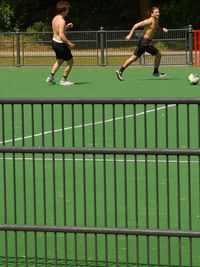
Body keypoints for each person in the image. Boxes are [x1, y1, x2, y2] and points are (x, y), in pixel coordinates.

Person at [116, 6, 168, 81]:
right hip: (145, 43)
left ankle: (120, 71)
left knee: (134, 57)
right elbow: (136, 25)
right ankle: (156, 72)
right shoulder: (149, 21)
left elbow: (155, 27)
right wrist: (130, 35)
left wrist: (162, 29)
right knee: (158, 54)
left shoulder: (156, 20)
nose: (158, 13)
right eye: (156, 12)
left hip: (143, 43)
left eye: (158, 12)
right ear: (152, 14)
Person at [46, 1, 75, 86]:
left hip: (54, 42)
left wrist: (66, 27)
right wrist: (68, 43)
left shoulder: (55, 18)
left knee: (59, 60)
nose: (68, 11)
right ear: (64, 10)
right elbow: (61, 35)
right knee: (70, 62)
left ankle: (50, 77)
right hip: (60, 44)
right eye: (67, 10)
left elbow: (58, 31)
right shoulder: (62, 21)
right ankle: (63, 80)